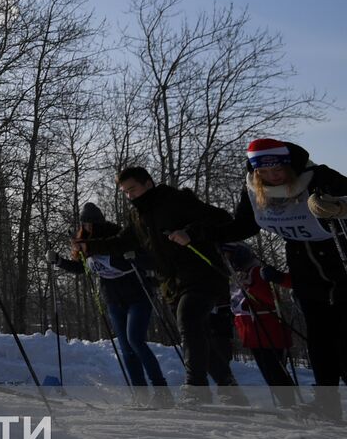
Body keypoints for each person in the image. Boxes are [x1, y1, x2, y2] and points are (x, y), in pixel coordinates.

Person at [80, 166, 246, 405]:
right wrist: (89, 247)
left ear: (148, 183)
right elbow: (122, 241)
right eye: (125, 192)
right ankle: (228, 386)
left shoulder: (176, 200)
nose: (130, 196)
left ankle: (196, 389)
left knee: (188, 318)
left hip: (202, 274)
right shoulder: (137, 216)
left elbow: (222, 218)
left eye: (133, 189)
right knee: (197, 333)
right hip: (172, 282)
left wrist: (190, 233)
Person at [211, 138, 347, 419]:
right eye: (265, 173)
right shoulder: (253, 189)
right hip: (305, 272)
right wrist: (206, 234)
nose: (273, 176)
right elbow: (243, 225)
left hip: (340, 265)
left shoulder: (319, 176)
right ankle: (327, 404)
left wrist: (340, 208)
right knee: (320, 341)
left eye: (278, 169)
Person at [48, 202, 171, 401]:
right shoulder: (83, 241)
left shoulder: (117, 236)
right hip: (114, 301)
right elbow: (82, 269)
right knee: (127, 350)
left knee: (136, 341)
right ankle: (140, 394)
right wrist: (59, 261)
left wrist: (133, 257)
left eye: (91, 223)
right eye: (85, 223)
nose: (87, 227)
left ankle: (161, 391)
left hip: (137, 296)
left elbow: (145, 257)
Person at [220, 242, 297, 407]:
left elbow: (272, 300)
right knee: (269, 372)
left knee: (275, 371)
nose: (224, 260)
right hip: (252, 332)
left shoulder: (256, 272)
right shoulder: (235, 276)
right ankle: (287, 404)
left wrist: (251, 287)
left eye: (226, 256)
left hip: (268, 329)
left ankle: (289, 403)